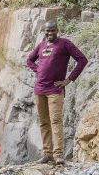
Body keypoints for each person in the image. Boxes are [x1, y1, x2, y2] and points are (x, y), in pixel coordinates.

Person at [25, 22, 88, 164]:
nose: (50, 33)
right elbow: (29, 60)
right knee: (44, 123)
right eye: (48, 31)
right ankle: (47, 154)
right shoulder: (41, 45)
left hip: (55, 90)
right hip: (39, 90)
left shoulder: (65, 44)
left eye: (52, 30)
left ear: (57, 30)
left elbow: (82, 59)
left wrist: (69, 80)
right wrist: (38, 70)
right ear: (45, 31)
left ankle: (58, 154)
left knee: (56, 121)